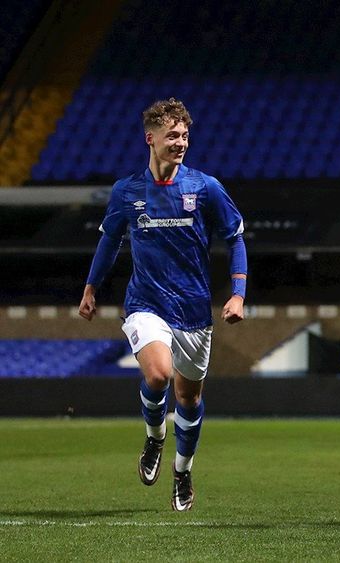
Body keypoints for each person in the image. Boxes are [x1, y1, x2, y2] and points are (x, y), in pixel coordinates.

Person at [78, 98, 247, 512]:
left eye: (185, 135)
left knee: (188, 399)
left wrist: (238, 293)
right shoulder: (127, 191)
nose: (181, 142)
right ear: (149, 138)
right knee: (158, 376)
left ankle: (183, 469)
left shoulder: (205, 187)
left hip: (193, 310)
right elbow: (110, 240)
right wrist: (90, 286)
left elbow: (236, 237)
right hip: (145, 303)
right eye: (172, 135)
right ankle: (155, 437)